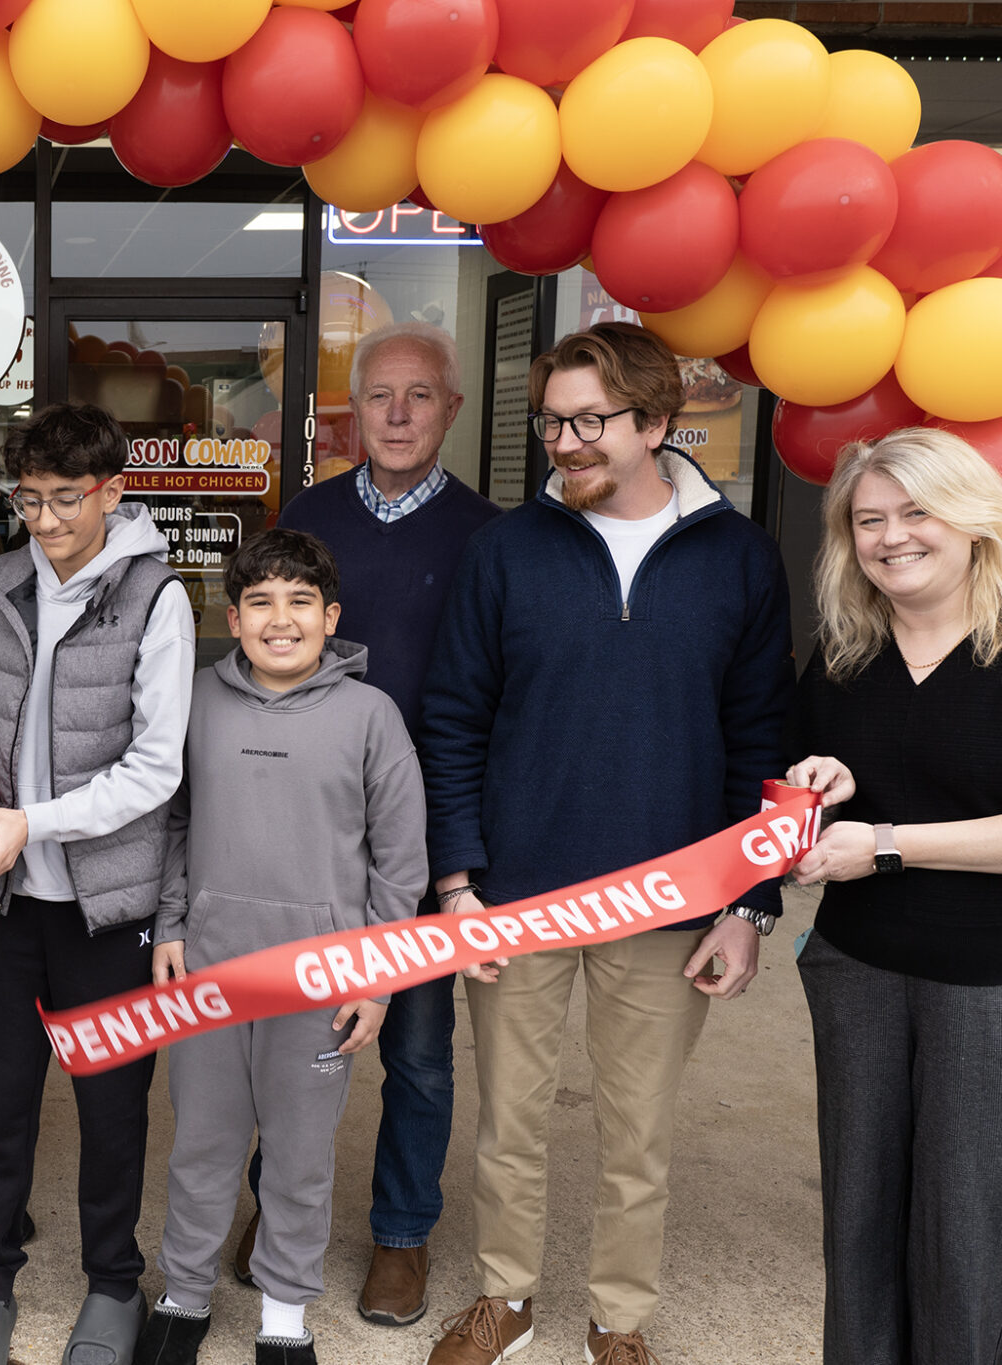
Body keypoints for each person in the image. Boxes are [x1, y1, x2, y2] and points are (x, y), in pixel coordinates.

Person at [418, 322, 793, 1365]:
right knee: (509, 1121)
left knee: (639, 1130)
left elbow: (759, 737)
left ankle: (617, 1319)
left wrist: (749, 901)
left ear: (658, 423)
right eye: (553, 422)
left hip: (670, 897)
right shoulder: (503, 551)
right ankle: (504, 1298)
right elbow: (452, 718)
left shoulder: (739, 558)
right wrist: (456, 880)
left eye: (591, 421)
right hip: (517, 895)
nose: (566, 442)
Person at [0, 401, 195, 1365]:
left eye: (64, 498)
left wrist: (31, 823)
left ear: (112, 491)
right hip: (8, 901)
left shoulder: (157, 598)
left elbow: (157, 769)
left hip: (107, 905)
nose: (43, 519)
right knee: (0, 1095)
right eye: (27, 498)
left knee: (111, 1104)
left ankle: (113, 1284)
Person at [139, 529, 427, 1365]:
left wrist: (378, 977)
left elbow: (400, 863)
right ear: (232, 617)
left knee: (299, 1156)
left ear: (330, 617)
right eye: (260, 601)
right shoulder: (197, 700)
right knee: (202, 1142)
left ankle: (284, 1311)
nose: (280, 619)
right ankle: (185, 1294)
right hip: (212, 971)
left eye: (301, 601)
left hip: (321, 982)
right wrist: (171, 924)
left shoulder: (372, 716)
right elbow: (172, 820)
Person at [269, 320, 499, 1325]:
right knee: (286, 1033)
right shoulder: (307, 518)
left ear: (451, 409)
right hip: (309, 825)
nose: (398, 415)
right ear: (352, 410)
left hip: (427, 828)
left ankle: (401, 1234)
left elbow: (495, 699)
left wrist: (465, 859)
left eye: (420, 396)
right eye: (379, 396)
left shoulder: (489, 535)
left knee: (417, 1050)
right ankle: (276, 1207)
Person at [782, 428, 1002, 1365]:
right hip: (857, 965)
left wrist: (883, 843)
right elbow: (827, 788)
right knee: (860, 1212)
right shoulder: (845, 652)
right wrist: (825, 786)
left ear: (975, 520)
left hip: (984, 978)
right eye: (868, 519)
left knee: (968, 1223)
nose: (891, 536)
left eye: (916, 511)